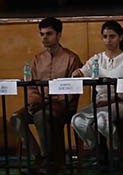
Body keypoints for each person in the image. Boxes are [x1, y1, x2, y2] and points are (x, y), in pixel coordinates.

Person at [10, 17, 82, 170]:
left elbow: (73, 89)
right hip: (38, 104)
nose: (44, 38)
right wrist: (34, 100)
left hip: (61, 106)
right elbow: (31, 86)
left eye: (49, 34)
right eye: (42, 34)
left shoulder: (71, 58)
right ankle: (38, 157)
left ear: (59, 35)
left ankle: (49, 161)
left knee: (40, 116)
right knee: (16, 118)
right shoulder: (37, 59)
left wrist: (48, 102)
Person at [71, 21, 123, 159]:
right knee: (77, 120)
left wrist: (111, 99)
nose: (108, 40)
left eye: (112, 36)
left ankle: (118, 148)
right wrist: (77, 73)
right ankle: (97, 149)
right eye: (105, 37)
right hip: (100, 102)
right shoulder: (97, 58)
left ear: (120, 37)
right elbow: (83, 72)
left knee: (102, 119)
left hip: (121, 102)